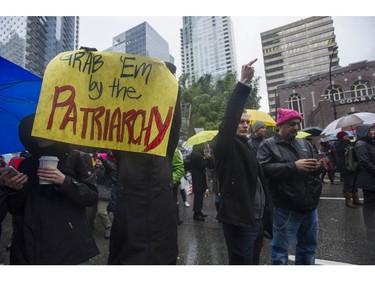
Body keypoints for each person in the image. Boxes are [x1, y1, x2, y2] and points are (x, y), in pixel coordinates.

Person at [0, 113, 99, 265]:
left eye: (44, 128)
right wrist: (15, 190)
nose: (39, 134)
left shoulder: (77, 158)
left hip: (68, 246)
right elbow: (17, 209)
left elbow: (91, 197)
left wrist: (64, 181)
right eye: (34, 130)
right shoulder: (27, 164)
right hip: (29, 245)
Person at [108, 62, 181, 265]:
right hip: (127, 249)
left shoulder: (165, 151)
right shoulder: (123, 150)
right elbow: (107, 112)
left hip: (162, 249)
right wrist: (97, 74)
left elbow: (173, 120)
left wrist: (171, 83)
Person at [211, 59, 272, 265]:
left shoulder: (249, 146)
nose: (245, 125)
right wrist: (243, 83)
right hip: (240, 221)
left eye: (248, 122)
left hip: (257, 221)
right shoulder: (225, 145)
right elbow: (229, 118)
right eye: (241, 121)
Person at [257, 107, 322, 265]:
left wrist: (318, 166)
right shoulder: (268, 145)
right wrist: (293, 166)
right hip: (286, 208)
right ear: (281, 124)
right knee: (280, 251)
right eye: (292, 124)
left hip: (310, 207)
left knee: (308, 248)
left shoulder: (304, 144)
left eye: (298, 124)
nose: (296, 127)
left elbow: (318, 167)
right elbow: (262, 170)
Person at [86, 152, 117, 239]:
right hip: (93, 192)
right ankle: (90, 227)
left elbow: (110, 167)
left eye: (100, 159)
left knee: (101, 211)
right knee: (90, 212)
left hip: (103, 193)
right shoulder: (93, 167)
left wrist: (103, 159)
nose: (98, 160)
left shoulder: (107, 169)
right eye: (97, 159)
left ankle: (108, 227)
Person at [354, 124, 375, 248]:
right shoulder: (361, 144)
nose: (373, 131)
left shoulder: (368, 142)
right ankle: (370, 229)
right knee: (369, 205)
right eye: (371, 129)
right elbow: (364, 162)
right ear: (364, 132)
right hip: (369, 180)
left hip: (372, 178)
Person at [334, 131, 362, 208]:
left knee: (354, 184)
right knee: (349, 184)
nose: (347, 136)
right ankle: (348, 201)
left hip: (353, 166)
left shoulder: (349, 142)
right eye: (345, 135)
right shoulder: (339, 145)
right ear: (342, 136)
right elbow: (349, 151)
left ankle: (356, 199)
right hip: (346, 167)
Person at [189, 142, 212, 221]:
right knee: (198, 196)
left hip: (196, 176)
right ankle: (196, 214)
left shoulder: (194, 153)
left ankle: (198, 211)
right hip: (198, 177)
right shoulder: (198, 155)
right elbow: (202, 165)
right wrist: (206, 158)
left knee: (199, 195)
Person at [172, 148, 185, 225]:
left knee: (174, 201)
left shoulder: (174, 150)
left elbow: (179, 168)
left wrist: (169, 181)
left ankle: (176, 219)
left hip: (170, 184)